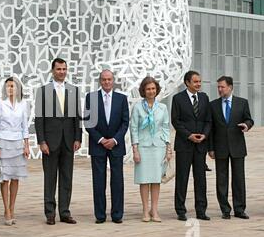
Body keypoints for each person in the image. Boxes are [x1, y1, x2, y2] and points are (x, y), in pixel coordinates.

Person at [34, 58, 82, 225]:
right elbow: (39, 118)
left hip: (69, 140)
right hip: (50, 141)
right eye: (59, 69)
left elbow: (77, 116)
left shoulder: (73, 90)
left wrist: (78, 137)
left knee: (67, 177)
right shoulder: (43, 91)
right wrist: (41, 141)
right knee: (50, 177)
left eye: (64, 69)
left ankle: (65, 212)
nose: (62, 72)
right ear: (52, 71)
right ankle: (50, 213)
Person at [85, 70, 129, 224]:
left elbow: (125, 122)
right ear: (100, 81)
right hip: (98, 145)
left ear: (113, 81)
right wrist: (102, 139)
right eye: (104, 80)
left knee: (117, 181)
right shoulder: (91, 98)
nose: (107, 82)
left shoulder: (122, 99)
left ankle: (117, 214)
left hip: (116, 145)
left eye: (109, 79)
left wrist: (115, 140)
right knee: (98, 181)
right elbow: (88, 123)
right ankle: (100, 215)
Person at [208, 76, 254, 220]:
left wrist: (247, 125)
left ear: (230, 87)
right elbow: (211, 128)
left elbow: (249, 119)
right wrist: (210, 148)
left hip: (237, 147)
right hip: (220, 147)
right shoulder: (213, 105)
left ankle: (239, 209)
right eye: (218, 87)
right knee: (221, 179)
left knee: (239, 179)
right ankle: (225, 210)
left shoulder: (242, 103)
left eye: (222, 87)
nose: (220, 89)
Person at [171, 70, 211, 221]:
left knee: (200, 179)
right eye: (195, 82)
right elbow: (176, 121)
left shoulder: (204, 97)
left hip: (201, 145)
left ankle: (201, 210)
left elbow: (208, 120)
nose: (198, 84)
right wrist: (189, 135)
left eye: (199, 81)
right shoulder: (178, 98)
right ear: (187, 83)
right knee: (182, 178)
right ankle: (180, 210)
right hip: (184, 144)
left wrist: (204, 135)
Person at [130, 77, 171, 223]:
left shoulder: (163, 108)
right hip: (143, 146)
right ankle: (145, 209)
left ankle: (154, 210)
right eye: (148, 89)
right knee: (144, 179)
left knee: (156, 179)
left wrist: (168, 148)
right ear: (143, 90)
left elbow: (165, 127)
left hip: (158, 146)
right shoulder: (137, 107)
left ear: (157, 90)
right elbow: (133, 128)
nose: (151, 91)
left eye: (153, 88)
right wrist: (135, 149)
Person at [0, 77, 30, 226]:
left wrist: (26, 145)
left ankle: (12, 207)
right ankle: (6, 208)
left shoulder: (23, 104)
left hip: (17, 142)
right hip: (3, 141)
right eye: (8, 86)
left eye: (13, 86)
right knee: (5, 177)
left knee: (15, 177)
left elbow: (25, 125)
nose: (10, 89)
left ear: (18, 88)